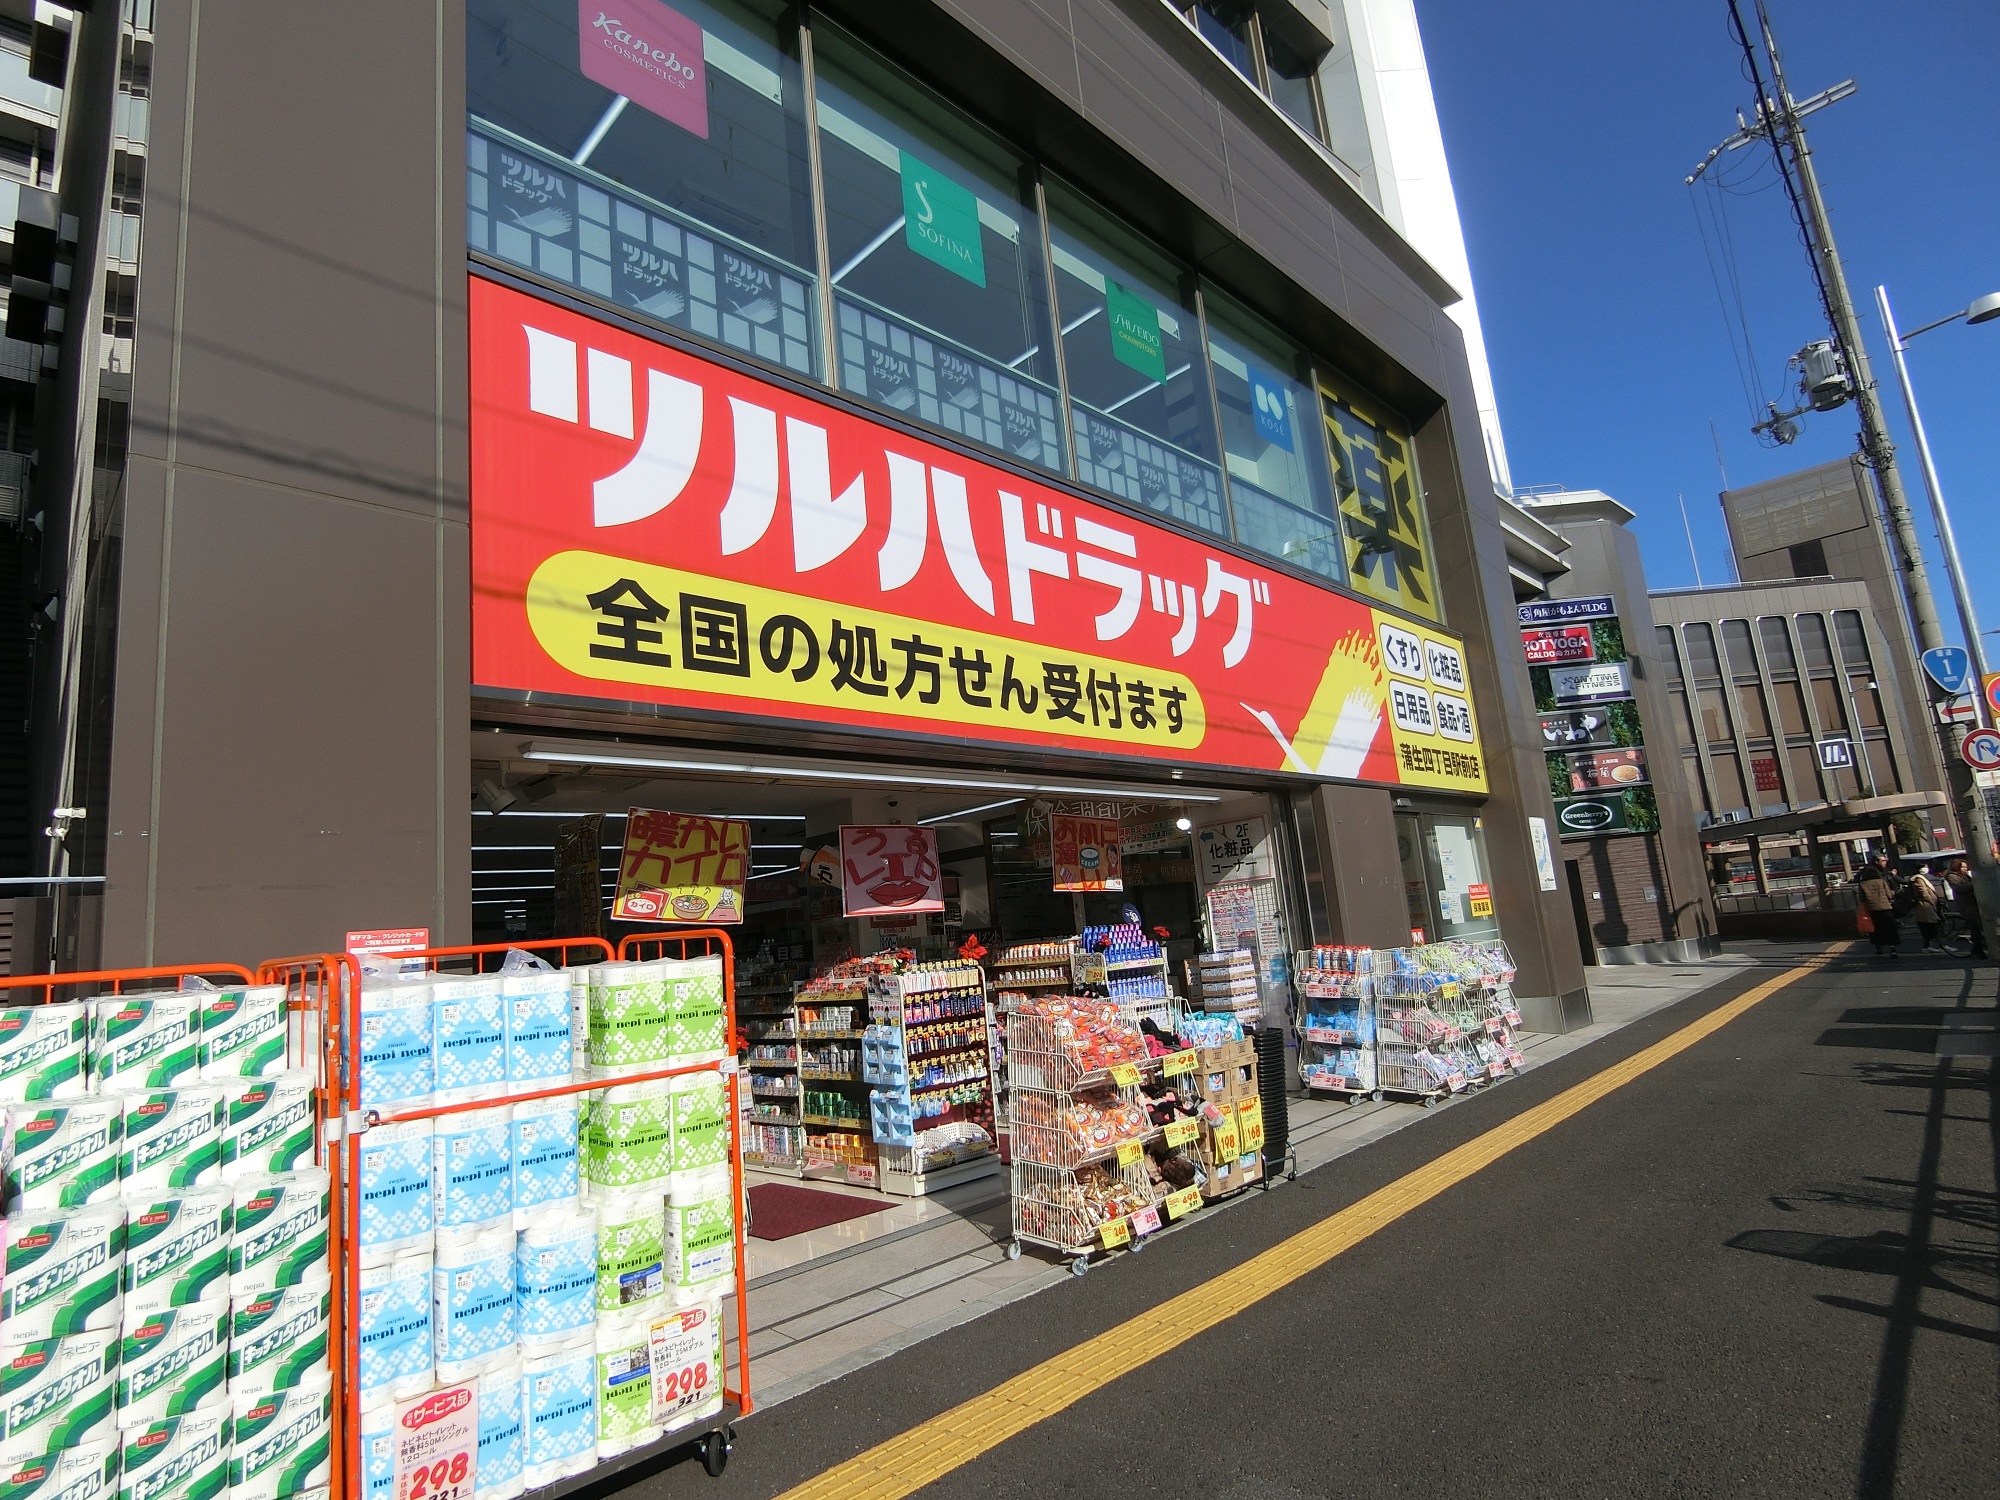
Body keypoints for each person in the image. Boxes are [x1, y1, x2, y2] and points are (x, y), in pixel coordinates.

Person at [1854, 855, 1900, 959]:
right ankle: (1892, 948)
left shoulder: (1862, 884)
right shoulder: (1881, 881)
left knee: (1876, 929)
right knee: (1889, 928)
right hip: (1885, 907)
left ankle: (1878, 948)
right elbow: (1889, 895)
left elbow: (1862, 899)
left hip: (1872, 909)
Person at [1945, 856, 1988, 958]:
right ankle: (1978, 950)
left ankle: (1977, 948)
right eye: (1963, 867)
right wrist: (1975, 883)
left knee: (1979, 927)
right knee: (1975, 928)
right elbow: (1960, 888)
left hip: (1973, 904)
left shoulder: (1965, 876)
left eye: (1966, 867)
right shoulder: (1952, 876)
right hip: (1966, 905)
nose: (1965, 869)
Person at [1907, 862, 1943, 953]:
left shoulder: (1921, 878)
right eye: (1924, 867)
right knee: (1929, 926)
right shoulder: (1918, 879)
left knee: (1931, 925)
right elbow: (1923, 892)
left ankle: (1936, 945)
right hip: (1924, 905)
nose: (1926, 868)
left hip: (1927, 905)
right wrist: (1931, 901)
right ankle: (1929, 946)